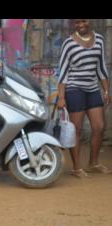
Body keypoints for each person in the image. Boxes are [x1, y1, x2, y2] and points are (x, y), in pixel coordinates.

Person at [57, 19, 111, 178]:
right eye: (77, 22)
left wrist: (106, 90)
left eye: (84, 21)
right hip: (74, 89)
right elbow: (64, 71)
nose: (81, 24)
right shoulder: (68, 43)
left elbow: (101, 67)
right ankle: (76, 167)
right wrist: (61, 96)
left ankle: (93, 163)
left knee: (99, 127)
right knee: (77, 129)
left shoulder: (99, 40)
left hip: (93, 88)